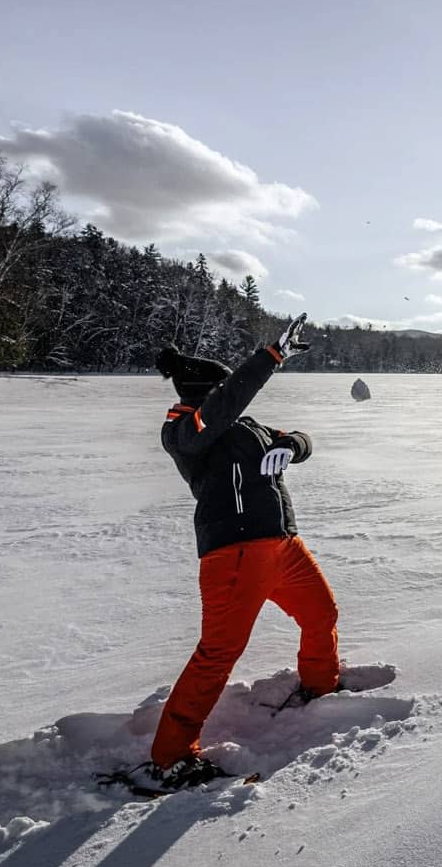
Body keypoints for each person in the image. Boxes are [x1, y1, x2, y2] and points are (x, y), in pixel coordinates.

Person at [143, 314, 341, 790]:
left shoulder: (246, 426)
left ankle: (321, 688)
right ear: (205, 391)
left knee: (321, 614)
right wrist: (269, 357)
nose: (228, 393)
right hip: (233, 555)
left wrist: (292, 446)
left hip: (284, 545)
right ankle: (170, 757)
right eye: (220, 387)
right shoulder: (185, 430)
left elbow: (302, 439)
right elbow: (226, 401)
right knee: (217, 654)